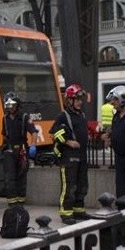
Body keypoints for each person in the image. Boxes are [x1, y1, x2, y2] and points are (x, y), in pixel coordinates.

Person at [49, 83, 92, 225]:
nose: (80, 101)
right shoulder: (63, 115)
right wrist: (68, 142)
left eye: (81, 99)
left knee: (82, 184)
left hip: (82, 156)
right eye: (77, 99)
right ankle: (66, 213)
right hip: (69, 157)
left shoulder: (81, 115)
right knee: (69, 186)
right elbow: (54, 132)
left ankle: (78, 210)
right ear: (69, 100)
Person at [0, 92, 39, 205]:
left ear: (17, 105)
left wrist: (33, 145)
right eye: (8, 105)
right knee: (9, 177)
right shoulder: (5, 119)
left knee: (21, 176)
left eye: (12, 105)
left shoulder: (24, 117)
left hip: (22, 150)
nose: (10, 107)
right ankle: (12, 202)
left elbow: (34, 132)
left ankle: (21, 201)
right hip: (9, 150)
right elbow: (3, 134)